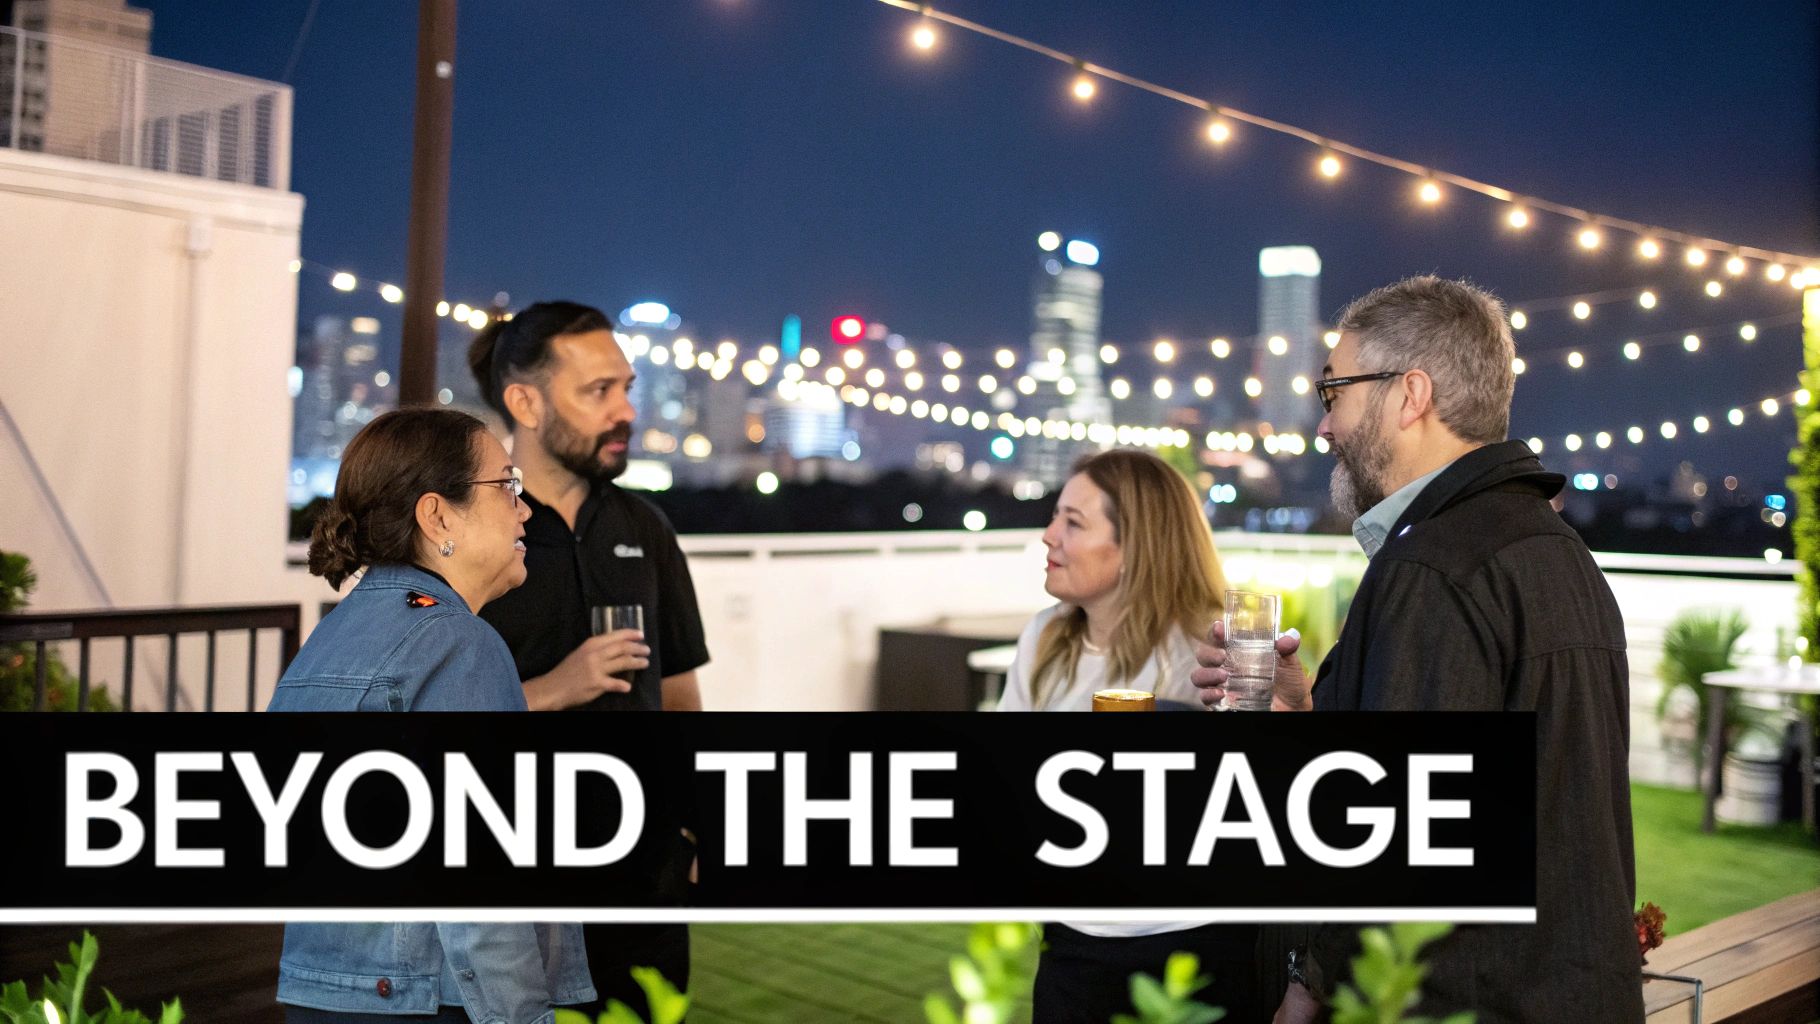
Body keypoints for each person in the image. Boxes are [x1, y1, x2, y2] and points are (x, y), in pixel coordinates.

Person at [1191, 276, 1642, 1023]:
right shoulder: (1557, 552)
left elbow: (1390, 835)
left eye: (1332, 390)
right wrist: (1307, 708)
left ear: (1410, 395)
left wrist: (1306, 986)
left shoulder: (1432, 568)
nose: (1325, 426)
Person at [267, 407, 593, 1024]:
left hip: (319, 993)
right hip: (433, 1001)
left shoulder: (327, 643)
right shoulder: (457, 643)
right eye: (507, 486)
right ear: (437, 514)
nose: (525, 510)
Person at [468, 301, 708, 1018]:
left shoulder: (644, 527)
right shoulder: (467, 533)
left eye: (626, 388)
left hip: (644, 871)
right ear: (525, 402)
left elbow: (681, 696)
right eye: (599, 391)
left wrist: (693, 826)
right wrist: (552, 689)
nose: (624, 410)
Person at [998, 449, 1259, 1022]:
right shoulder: (1044, 638)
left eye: (1073, 522)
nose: (1048, 536)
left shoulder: (1218, 647)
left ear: (1136, 545)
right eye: (1055, 516)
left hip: (1197, 943)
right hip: (1073, 941)